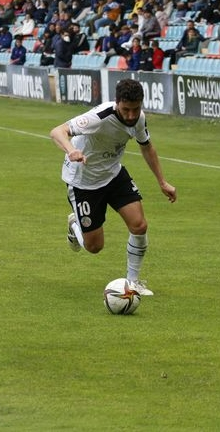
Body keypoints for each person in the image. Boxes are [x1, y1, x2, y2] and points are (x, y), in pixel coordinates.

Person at [49, 79, 177, 296]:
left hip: (114, 174)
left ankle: (133, 282)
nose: (130, 116)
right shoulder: (98, 118)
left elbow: (147, 148)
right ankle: (75, 226)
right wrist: (71, 150)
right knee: (94, 247)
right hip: (84, 182)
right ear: (117, 103)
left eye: (135, 109)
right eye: (126, 110)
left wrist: (162, 182)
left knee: (139, 225)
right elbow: (57, 132)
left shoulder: (138, 118)